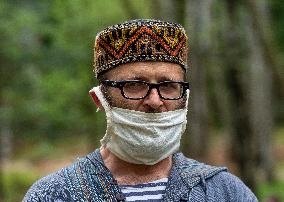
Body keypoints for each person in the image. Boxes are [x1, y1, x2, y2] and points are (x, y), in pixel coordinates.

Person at [23, 19, 258, 201]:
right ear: (99, 99)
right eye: (134, 85)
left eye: (168, 86)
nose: (155, 101)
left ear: (185, 97)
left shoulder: (226, 192)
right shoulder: (53, 194)